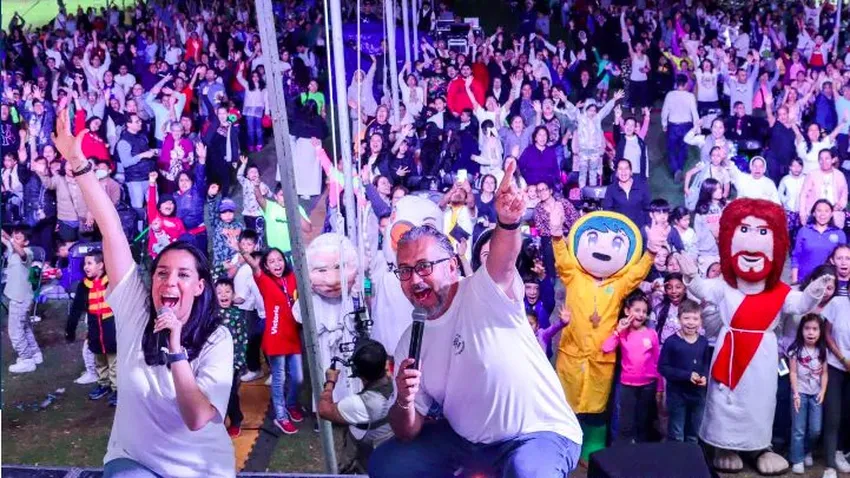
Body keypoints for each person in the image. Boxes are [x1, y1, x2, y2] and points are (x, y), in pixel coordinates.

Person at [369, 160, 582, 477]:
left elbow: (503, 261)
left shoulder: (484, 290)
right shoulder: (410, 342)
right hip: (468, 442)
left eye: (424, 267)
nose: (415, 279)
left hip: (536, 432)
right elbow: (406, 431)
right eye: (405, 271)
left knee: (528, 473)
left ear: (451, 266)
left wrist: (507, 222)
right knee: (388, 463)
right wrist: (404, 401)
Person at [53, 109, 235, 476]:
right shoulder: (135, 310)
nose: (170, 282)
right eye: (162, 273)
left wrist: (176, 347)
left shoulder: (216, 338)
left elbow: (197, 417)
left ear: (200, 286)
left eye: (183, 275)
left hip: (202, 468)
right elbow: (112, 229)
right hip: (134, 459)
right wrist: (78, 163)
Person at [238, 245, 303, 435]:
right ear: (265, 266)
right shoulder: (264, 280)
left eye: (279, 259)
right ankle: (281, 417)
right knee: (279, 379)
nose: (277, 264)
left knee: (298, 378)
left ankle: (291, 404)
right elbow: (254, 266)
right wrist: (243, 252)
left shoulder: (292, 278)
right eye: (272, 261)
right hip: (275, 337)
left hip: (292, 335)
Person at [318, 339, 394, 468]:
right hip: (390, 451)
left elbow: (324, 410)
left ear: (357, 371)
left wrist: (330, 382)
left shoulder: (360, 404)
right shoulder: (397, 384)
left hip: (366, 464)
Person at [602, 290, 661, 444]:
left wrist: (659, 388)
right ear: (627, 311)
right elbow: (606, 348)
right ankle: (622, 453)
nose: (641, 315)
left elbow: (657, 362)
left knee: (643, 423)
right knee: (625, 424)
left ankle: (641, 454)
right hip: (627, 385)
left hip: (648, 386)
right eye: (637, 310)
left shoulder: (651, 334)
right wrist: (618, 331)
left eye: (644, 312)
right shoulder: (622, 333)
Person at [66, 249, 118, 406]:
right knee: (99, 360)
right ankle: (104, 384)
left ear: (101, 265)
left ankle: (117, 389)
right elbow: (76, 309)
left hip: (111, 327)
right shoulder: (84, 286)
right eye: (85, 264)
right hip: (95, 327)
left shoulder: (112, 281)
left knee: (114, 361)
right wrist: (70, 330)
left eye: (90, 263)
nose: (85, 267)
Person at [658, 298, 709, 443]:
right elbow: (663, 367)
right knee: (677, 433)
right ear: (679, 319)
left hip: (698, 395)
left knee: (694, 433)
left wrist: (705, 377)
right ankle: (676, 456)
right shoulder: (671, 342)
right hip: (677, 395)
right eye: (686, 318)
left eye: (695, 318)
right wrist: (687, 375)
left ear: (700, 321)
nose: (691, 322)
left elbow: (706, 364)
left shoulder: (703, 342)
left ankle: (691, 456)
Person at [788, 313, 828, 475]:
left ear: (820, 331)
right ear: (801, 330)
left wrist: (823, 391)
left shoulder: (822, 351)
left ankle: (806, 450)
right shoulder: (795, 350)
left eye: (815, 329)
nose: (811, 332)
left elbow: (824, 373)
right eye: (807, 328)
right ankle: (797, 459)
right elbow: (793, 372)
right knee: (798, 429)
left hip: (816, 394)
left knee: (815, 429)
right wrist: (796, 393)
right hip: (800, 393)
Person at [2, 226, 42, 373]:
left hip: (20, 299)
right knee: (24, 327)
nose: (14, 239)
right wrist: (6, 237)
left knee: (15, 331)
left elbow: (21, 252)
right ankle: (35, 354)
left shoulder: (28, 252)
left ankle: (26, 360)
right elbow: (6, 240)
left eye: (18, 238)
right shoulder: (13, 248)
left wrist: (9, 238)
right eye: (14, 236)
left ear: (26, 242)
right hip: (20, 297)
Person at [213, 278, 248, 438]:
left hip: (232, 363)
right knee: (215, 393)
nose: (224, 295)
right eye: (219, 292)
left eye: (227, 291)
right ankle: (218, 421)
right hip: (215, 362)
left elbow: (243, 340)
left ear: (233, 295)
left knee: (231, 393)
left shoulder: (237, 315)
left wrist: (238, 362)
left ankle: (236, 420)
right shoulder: (211, 315)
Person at [791, 200, 847, 284]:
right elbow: (796, 257)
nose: (822, 214)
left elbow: (844, 260)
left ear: (831, 214)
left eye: (826, 211)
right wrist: (794, 281)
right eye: (819, 210)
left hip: (830, 283)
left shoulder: (839, 234)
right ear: (814, 213)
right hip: (805, 281)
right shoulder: (804, 231)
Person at [661, 74, 700, 181]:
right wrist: (697, 128)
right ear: (686, 84)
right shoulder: (690, 96)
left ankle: (676, 169)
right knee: (683, 148)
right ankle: (679, 168)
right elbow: (694, 113)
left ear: (676, 83)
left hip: (673, 126)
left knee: (671, 149)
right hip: (686, 126)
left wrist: (664, 124)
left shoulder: (670, 95)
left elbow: (665, 111)